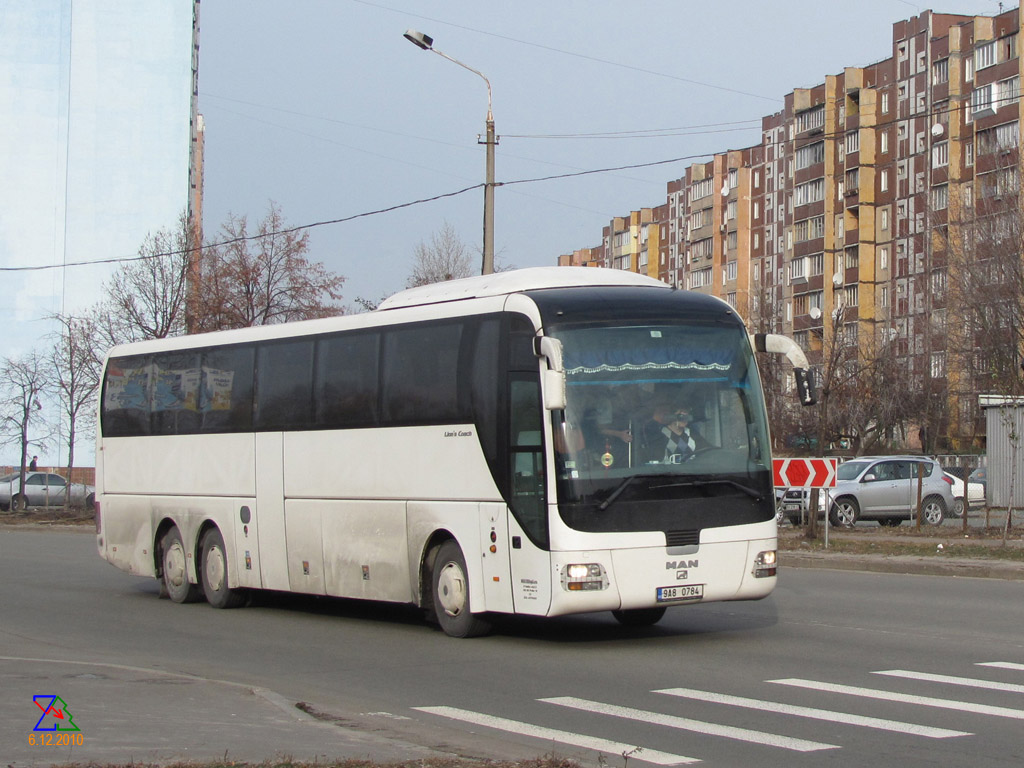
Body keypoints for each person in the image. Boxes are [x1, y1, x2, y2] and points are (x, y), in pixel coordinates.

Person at [638, 404, 709, 464]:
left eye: (686, 417)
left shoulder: (692, 434)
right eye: (681, 417)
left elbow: (707, 451)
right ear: (671, 417)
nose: (684, 419)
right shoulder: (659, 435)